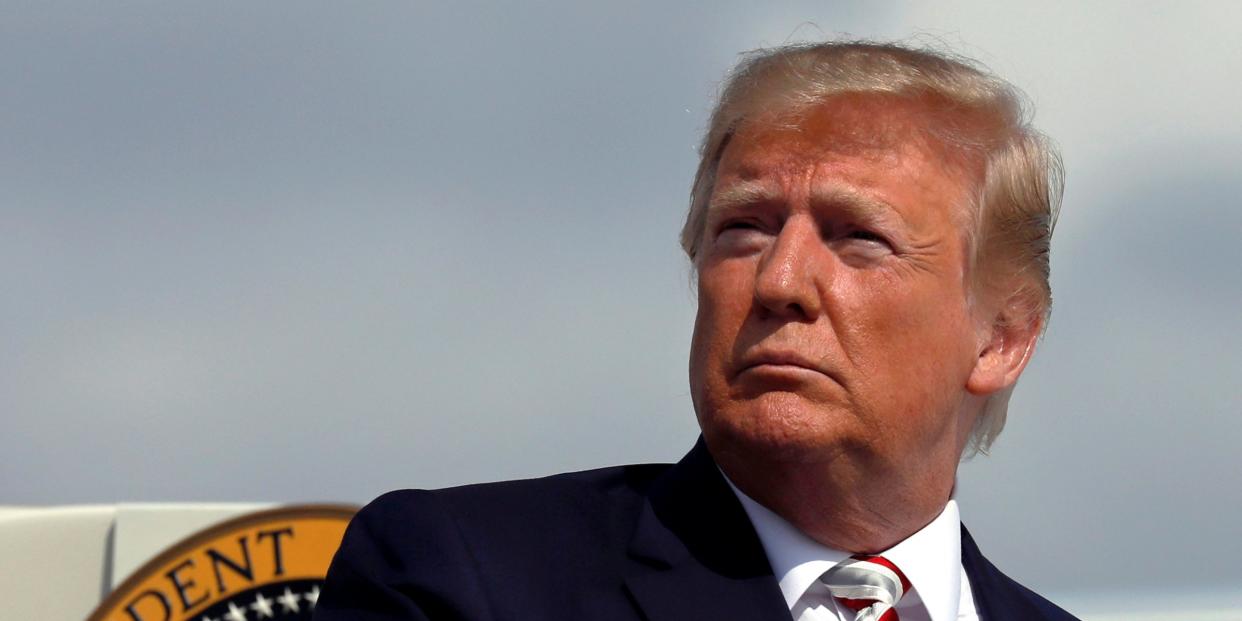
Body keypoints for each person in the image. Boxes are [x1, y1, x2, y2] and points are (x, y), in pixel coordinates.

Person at [314, 40, 1076, 621]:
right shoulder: (462, 579)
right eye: (744, 228)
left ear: (1001, 337)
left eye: (856, 236)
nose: (779, 282)